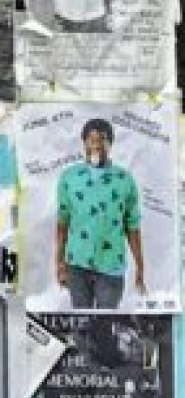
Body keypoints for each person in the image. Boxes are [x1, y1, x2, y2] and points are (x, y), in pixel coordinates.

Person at [56, 118, 144, 310]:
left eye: (102, 139)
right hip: (77, 264)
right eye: (90, 138)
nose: (96, 144)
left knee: (106, 324)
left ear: (110, 143)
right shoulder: (69, 178)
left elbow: (133, 226)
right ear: (84, 142)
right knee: (81, 324)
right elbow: (62, 222)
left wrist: (140, 267)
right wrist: (59, 262)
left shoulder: (124, 180)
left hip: (111, 266)